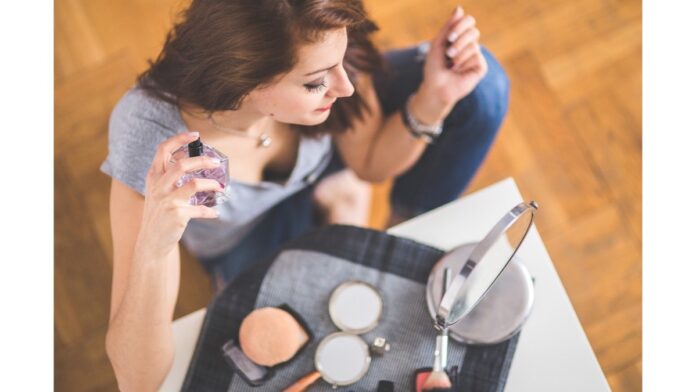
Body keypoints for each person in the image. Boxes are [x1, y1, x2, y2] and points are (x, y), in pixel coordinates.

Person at [102, 0, 509, 390]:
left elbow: (369, 164)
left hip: (325, 166)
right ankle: (342, 208)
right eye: (317, 82)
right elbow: (137, 381)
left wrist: (433, 101)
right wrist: (153, 247)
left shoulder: (319, 34)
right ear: (243, 82)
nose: (346, 88)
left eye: (340, 63)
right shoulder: (160, 144)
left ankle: (399, 228)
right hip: (248, 236)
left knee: (482, 86)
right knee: (281, 338)